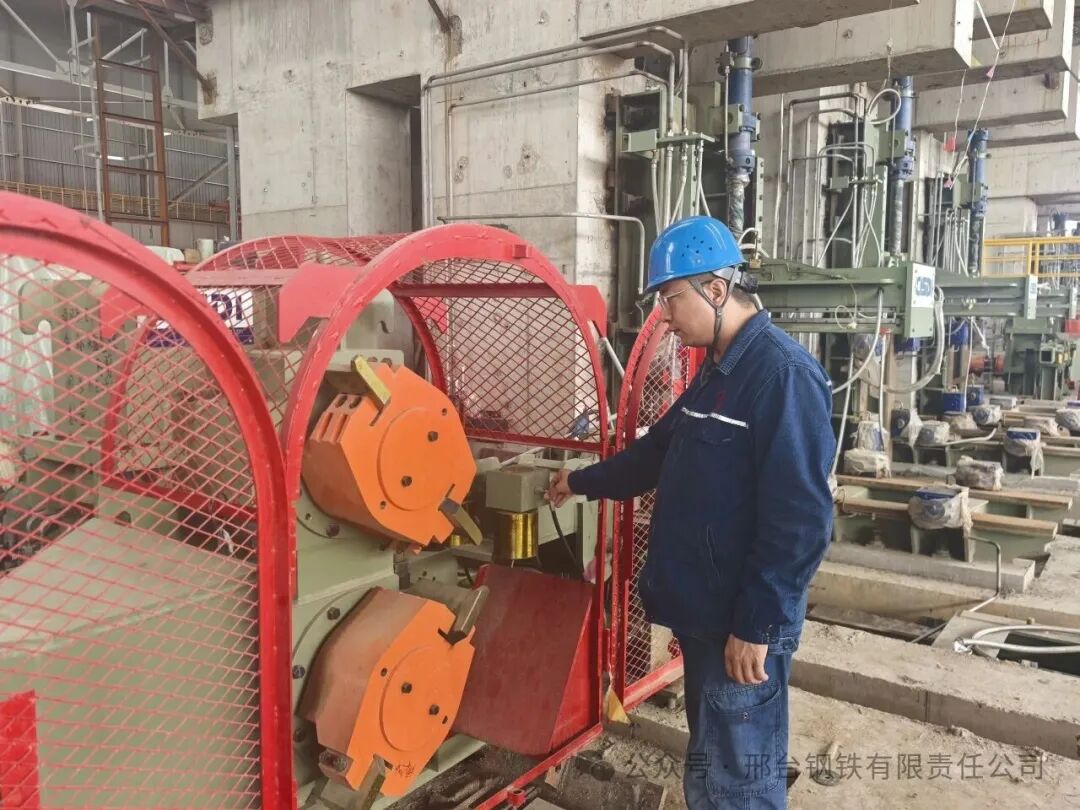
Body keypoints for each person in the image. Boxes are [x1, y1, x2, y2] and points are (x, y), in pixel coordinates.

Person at [548, 216, 835, 809]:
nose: (666, 316)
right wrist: (579, 481)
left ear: (717, 289)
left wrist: (756, 626)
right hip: (706, 615)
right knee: (710, 765)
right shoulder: (717, 373)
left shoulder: (781, 376)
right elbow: (658, 452)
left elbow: (801, 521)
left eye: (671, 298)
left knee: (740, 779)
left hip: (740, 624)